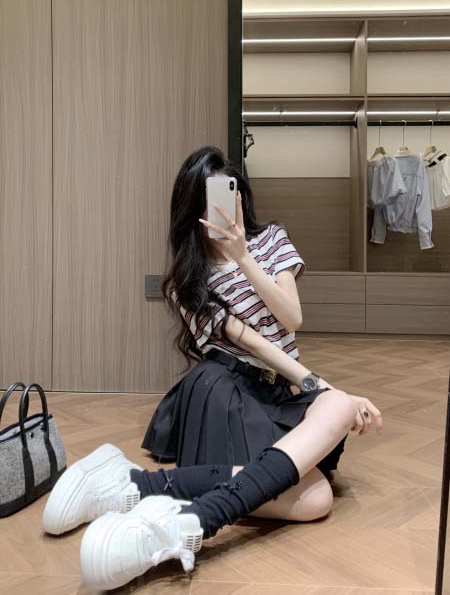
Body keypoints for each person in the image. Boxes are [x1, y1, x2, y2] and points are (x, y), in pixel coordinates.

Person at [41, 146, 383, 591]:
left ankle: (138, 487)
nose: (223, 207)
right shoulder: (188, 279)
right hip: (226, 385)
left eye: (230, 193)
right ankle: (181, 517)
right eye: (210, 200)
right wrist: (326, 389)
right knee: (315, 497)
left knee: (329, 435)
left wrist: (244, 257)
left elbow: (291, 318)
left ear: (241, 196)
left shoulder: (271, 241)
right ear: (193, 209)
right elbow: (250, 342)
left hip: (281, 390)